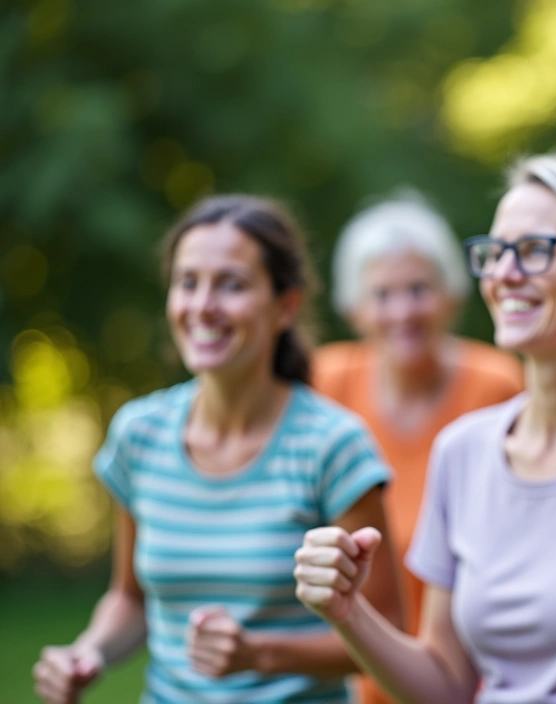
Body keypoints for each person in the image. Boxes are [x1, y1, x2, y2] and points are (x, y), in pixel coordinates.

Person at [294, 153, 556, 703]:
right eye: (495, 253)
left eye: (534, 250)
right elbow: (446, 686)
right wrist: (348, 611)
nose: (503, 275)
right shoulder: (462, 450)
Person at [32, 196, 402, 704]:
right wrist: (89, 652)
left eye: (231, 284)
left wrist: (259, 654)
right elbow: (130, 598)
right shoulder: (139, 436)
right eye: (188, 282)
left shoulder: (332, 447)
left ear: (285, 306)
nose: (203, 305)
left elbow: (387, 633)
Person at [312, 193, 523, 704]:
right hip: (359, 676)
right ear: (354, 308)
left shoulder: (497, 384)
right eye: (382, 294)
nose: (402, 311)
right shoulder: (327, 382)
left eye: (418, 290)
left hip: (473, 676)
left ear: (450, 295)